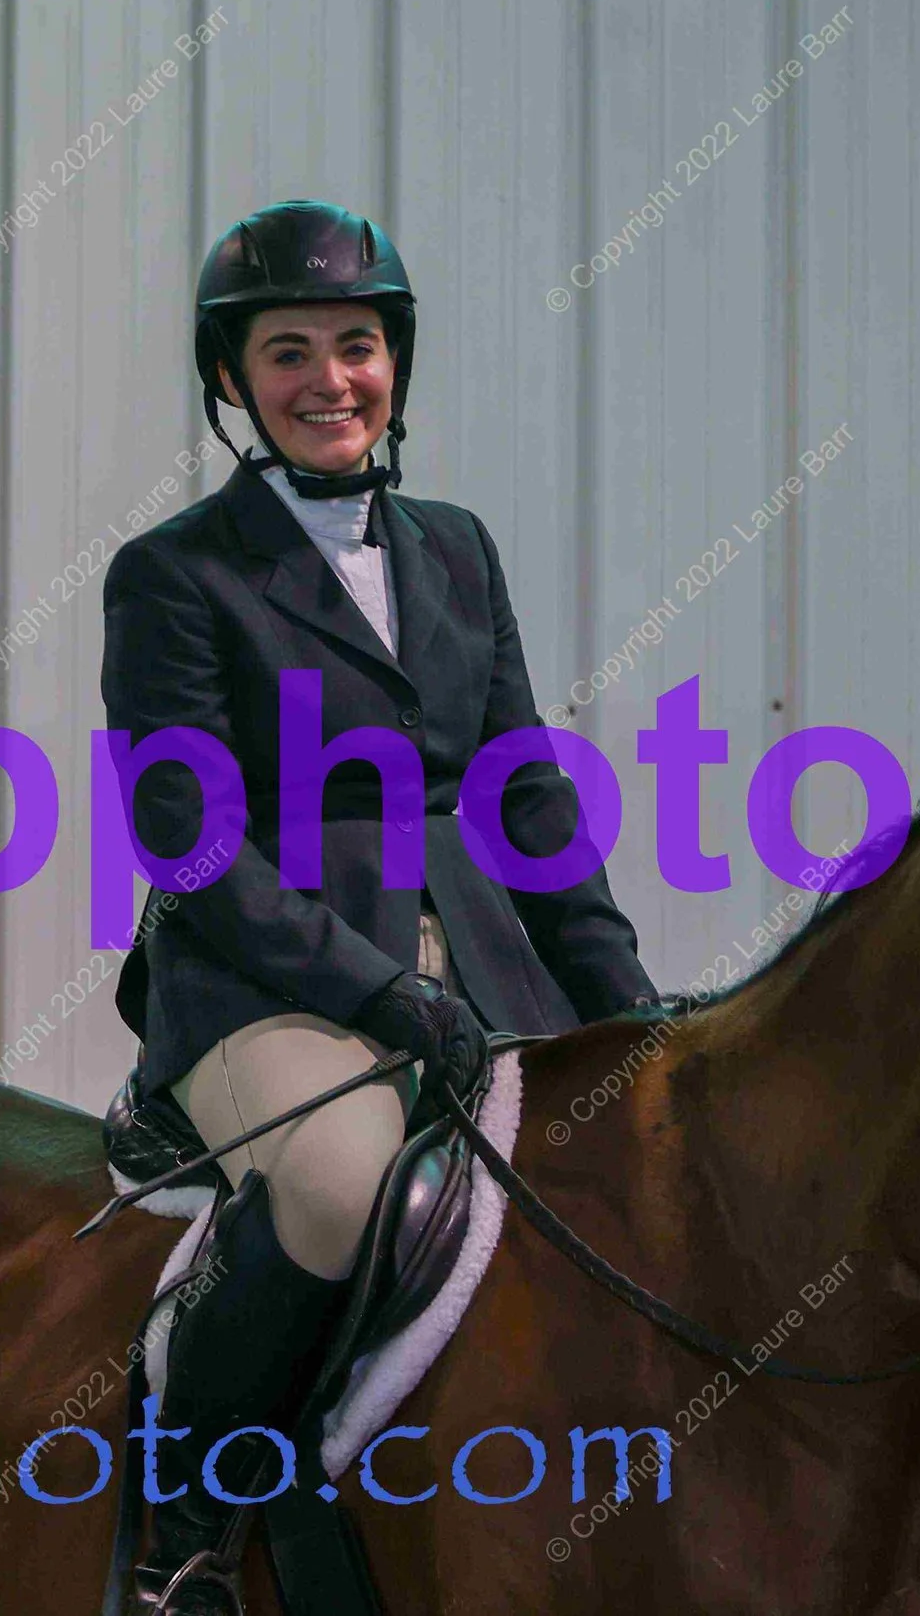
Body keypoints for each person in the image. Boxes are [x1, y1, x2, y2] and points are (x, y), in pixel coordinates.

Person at [101, 199, 661, 1613]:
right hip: (263, 984)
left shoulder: (458, 548)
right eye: (287, 352)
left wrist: (627, 1003)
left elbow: (526, 792)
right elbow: (189, 842)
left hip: (481, 969)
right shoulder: (174, 573)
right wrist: (374, 989)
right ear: (233, 380)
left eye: (355, 345)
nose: (329, 380)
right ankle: (186, 1534)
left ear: (395, 362)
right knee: (340, 1181)